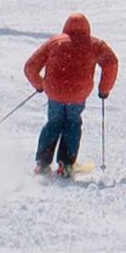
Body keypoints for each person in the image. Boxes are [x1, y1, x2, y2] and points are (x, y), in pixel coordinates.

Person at [23, 10, 118, 177]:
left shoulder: (55, 42)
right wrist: (104, 90)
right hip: (78, 94)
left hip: (55, 92)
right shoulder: (95, 44)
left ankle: (42, 164)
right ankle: (65, 164)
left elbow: (30, 67)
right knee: (72, 124)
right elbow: (111, 63)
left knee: (54, 123)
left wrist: (40, 85)